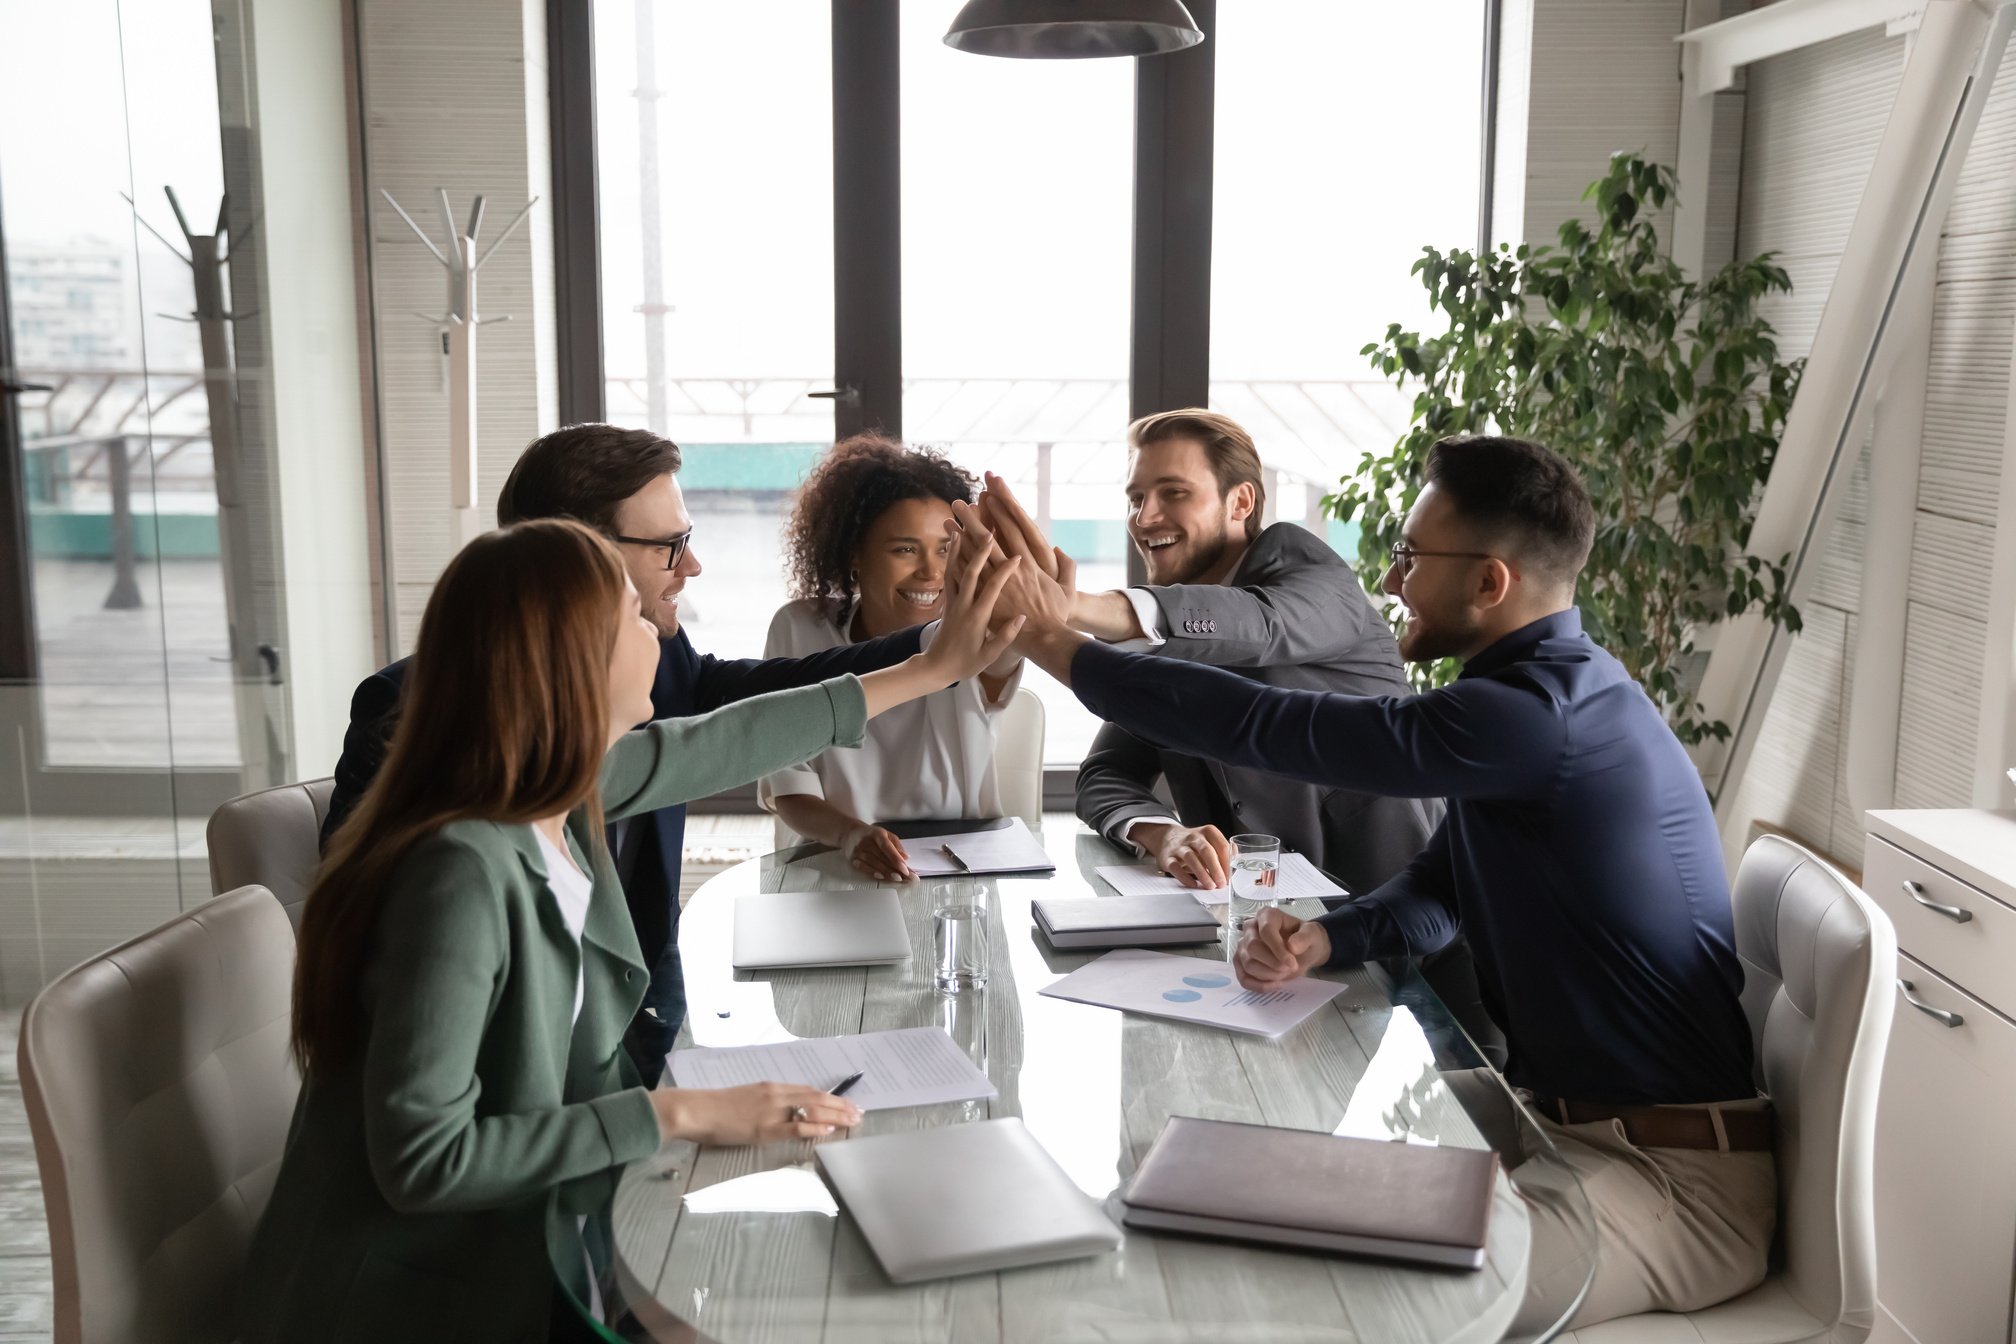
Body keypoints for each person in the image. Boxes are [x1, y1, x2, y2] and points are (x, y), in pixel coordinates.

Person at [987, 436, 1774, 1331]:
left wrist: (1056, 637)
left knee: (1353, 1311)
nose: (1392, 581)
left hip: (1670, 1184)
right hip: (1550, 1120)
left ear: (1489, 583)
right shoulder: (1545, 695)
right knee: (1239, 1163)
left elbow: (1277, 726)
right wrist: (1330, 938)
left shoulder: (1532, 718)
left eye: (1409, 556)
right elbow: (1445, 881)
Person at [242, 518, 1022, 1343]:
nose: (658, 630)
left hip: (539, 1241)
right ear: (572, 658)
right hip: (421, 1302)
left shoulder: (561, 787)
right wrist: (677, 1116)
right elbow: (425, 1162)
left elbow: (729, 740)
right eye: (632, 618)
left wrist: (933, 667)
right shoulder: (461, 868)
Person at [322, 424, 929, 1082]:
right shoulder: (422, 728)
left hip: (640, 1013)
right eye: (671, 547)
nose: (692, 567)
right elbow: (393, 984)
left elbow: (744, 717)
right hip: (517, 1074)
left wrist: (938, 651)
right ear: (573, 558)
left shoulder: (647, 667)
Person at [988, 409, 1436, 896]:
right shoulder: (1162, 632)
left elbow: (1260, 624)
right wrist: (1164, 834)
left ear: (1241, 501)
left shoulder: (1307, 571)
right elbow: (1106, 771)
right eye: (1137, 498)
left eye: (1174, 493)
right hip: (1253, 921)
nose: (1145, 517)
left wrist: (1072, 608)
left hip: (1397, 910)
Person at [763, 435, 1024, 881]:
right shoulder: (799, 627)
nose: (930, 571)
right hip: (832, 860)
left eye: (946, 550)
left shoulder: (978, 630)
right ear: (854, 554)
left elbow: (1004, 658)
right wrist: (852, 836)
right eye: (905, 549)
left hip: (959, 863)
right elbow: (788, 784)